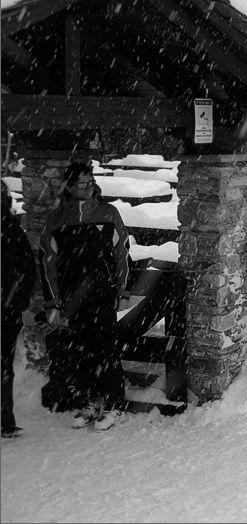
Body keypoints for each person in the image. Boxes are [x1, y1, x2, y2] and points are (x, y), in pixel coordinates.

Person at [40, 162, 131, 432]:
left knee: (107, 350)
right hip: (72, 300)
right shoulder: (56, 220)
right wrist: (52, 303)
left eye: (91, 181)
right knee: (79, 352)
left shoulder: (108, 212)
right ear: (69, 186)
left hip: (103, 295)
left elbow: (122, 254)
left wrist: (123, 291)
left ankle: (114, 404)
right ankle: (89, 402)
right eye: (82, 183)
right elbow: (48, 263)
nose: (89, 187)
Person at [2, 182, 37, 439]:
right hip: (8, 306)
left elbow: (27, 269)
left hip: (7, 308)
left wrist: (19, 300)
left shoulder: (12, 230)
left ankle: (5, 420)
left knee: (4, 365)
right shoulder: (12, 229)